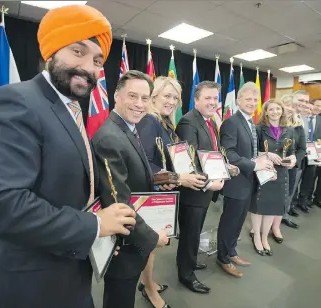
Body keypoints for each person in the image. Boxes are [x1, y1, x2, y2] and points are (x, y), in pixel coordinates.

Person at [0, 5, 138, 308]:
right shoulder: (13, 102)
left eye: (98, 61)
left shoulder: (71, 107)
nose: (89, 68)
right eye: (77, 51)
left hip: (68, 268)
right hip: (30, 283)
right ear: (51, 52)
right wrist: (95, 225)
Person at [92, 70, 170, 308]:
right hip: (124, 244)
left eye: (145, 98)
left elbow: (131, 175)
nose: (139, 104)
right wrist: (154, 237)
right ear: (117, 96)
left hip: (132, 238)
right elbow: (119, 206)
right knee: (120, 300)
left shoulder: (128, 128)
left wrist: (158, 179)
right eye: (132, 96)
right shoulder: (110, 137)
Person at [136, 76, 207, 306]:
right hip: (151, 193)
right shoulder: (149, 120)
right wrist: (177, 177)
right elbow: (145, 162)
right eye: (167, 95)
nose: (172, 101)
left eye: (175, 97)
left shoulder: (165, 122)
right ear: (154, 96)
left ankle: (148, 281)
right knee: (149, 245)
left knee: (153, 245)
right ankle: (148, 288)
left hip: (162, 190)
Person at [217, 82, 274, 277]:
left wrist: (264, 158)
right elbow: (229, 153)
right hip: (236, 182)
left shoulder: (251, 123)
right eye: (248, 99)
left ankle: (231, 251)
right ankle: (223, 258)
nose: (252, 102)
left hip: (249, 182)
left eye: (255, 100)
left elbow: (251, 151)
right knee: (230, 221)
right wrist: (254, 165)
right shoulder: (231, 122)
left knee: (239, 221)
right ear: (239, 100)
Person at [175, 81, 225, 293]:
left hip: (203, 191)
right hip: (193, 193)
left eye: (215, 98)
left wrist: (224, 168)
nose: (212, 102)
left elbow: (211, 152)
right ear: (196, 100)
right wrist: (210, 183)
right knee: (189, 234)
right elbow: (189, 162)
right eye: (207, 98)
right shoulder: (188, 122)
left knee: (194, 233)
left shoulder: (210, 121)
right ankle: (186, 275)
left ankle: (189, 261)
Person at [250, 99, 297, 256]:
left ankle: (265, 237)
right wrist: (266, 154)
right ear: (266, 112)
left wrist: (293, 159)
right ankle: (256, 235)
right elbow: (251, 151)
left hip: (281, 173)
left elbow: (292, 151)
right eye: (271, 109)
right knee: (258, 206)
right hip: (263, 172)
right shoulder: (258, 129)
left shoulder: (289, 130)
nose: (275, 111)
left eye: (278, 109)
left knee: (273, 206)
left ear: (282, 111)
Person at [295, 98, 321, 213]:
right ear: (310, 105)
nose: (319, 109)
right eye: (317, 106)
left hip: (314, 156)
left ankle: (303, 202)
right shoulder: (300, 118)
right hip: (299, 154)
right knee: (295, 180)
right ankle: (292, 203)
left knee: (308, 180)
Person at [274, 95, 306, 233]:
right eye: (284, 104)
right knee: (272, 194)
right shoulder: (272, 124)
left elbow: (302, 148)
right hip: (274, 166)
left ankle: (283, 216)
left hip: (292, 167)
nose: (287, 108)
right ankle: (269, 219)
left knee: (289, 192)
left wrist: (294, 161)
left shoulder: (298, 127)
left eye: (290, 105)